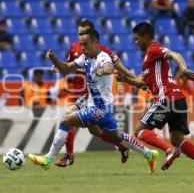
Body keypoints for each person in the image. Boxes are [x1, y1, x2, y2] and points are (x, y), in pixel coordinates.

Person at [29, 29, 159, 174]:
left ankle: (48, 158)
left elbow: (109, 67)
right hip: (98, 106)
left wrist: (103, 71)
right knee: (117, 136)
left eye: (86, 44)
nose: (83, 48)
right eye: (81, 45)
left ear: (96, 43)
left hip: (99, 109)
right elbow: (65, 69)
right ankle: (149, 153)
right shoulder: (85, 58)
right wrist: (54, 59)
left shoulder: (103, 58)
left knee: (66, 119)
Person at [118, 22, 194, 175]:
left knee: (140, 131)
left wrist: (183, 68)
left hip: (166, 97)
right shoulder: (147, 58)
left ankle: (169, 151)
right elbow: (141, 82)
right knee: (177, 139)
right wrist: (125, 78)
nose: (135, 42)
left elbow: (174, 54)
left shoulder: (153, 49)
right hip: (178, 99)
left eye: (137, 39)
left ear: (146, 37)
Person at [54, 20, 134, 167]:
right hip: (80, 92)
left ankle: (69, 155)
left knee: (67, 117)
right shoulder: (74, 48)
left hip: (92, 95)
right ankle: (123, 146)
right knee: (95, 131)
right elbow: (69, 67)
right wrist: (58, 67)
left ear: (91, 36)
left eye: (84, 34)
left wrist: (136, 81)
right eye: (79, 34)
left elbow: (121, 69)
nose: (81, 37)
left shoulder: (104, 52)